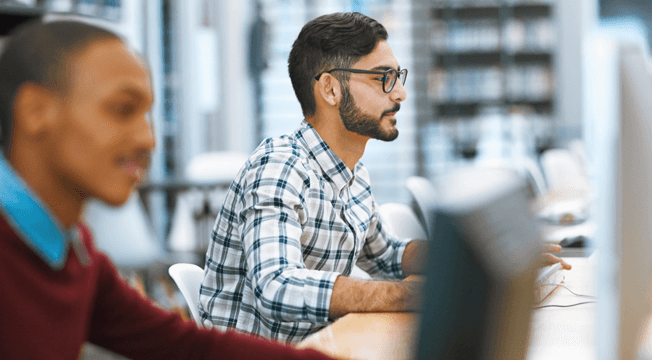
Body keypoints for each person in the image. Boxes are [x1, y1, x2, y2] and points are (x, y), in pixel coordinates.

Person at [0, 20, 337, 360]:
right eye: (123, 110)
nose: (148, 139)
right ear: (36, 112)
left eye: (147, 115)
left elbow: (180, 345)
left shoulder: (71, 247)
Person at [199, 12, 571, 344]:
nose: (402, 94)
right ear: (330, 88)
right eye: (384, 79)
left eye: (398, 77)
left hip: (322, 346)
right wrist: (413, 295)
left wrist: (489, 254)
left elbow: (388, 255)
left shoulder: (353, 171)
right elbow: (278, 287)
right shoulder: (280, 167)